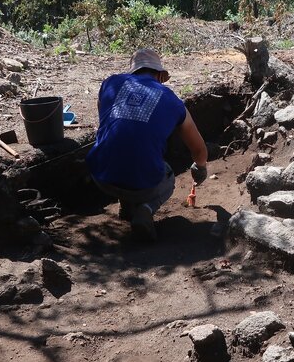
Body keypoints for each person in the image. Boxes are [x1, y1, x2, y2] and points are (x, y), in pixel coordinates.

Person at [86, 48, 208, 241]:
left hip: (100, 175)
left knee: (125, 147)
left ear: (132, 72)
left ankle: (127, 207)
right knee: (166, 174)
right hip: (142, 184)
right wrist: (200, 167)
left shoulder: (110, 83)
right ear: (160, 75)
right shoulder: (172, 101)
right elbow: (199, 149)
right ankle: (146, 209)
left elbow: (106, 123)